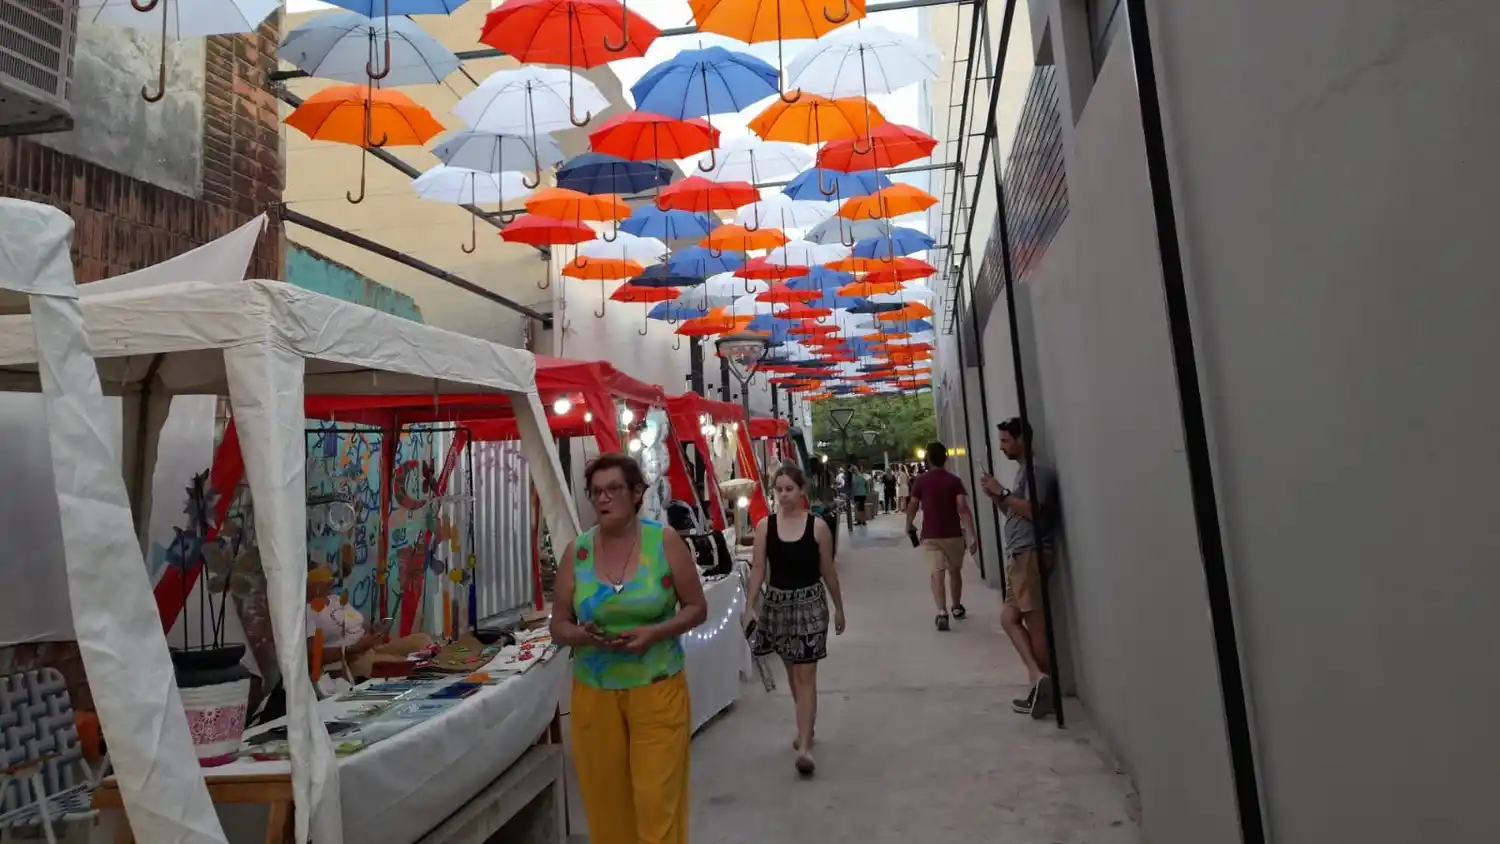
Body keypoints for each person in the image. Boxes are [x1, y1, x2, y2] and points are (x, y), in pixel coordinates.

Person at [550, 453, 708, 844]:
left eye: (614, 489)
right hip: (594, 694)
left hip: (656, 690)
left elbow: (696, 608)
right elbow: (558, 626)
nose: (603, 499)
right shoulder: (578, 552)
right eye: (596, 492)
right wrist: (583, 636)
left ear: (637, 493)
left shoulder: (664, 542)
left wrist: (655, 633)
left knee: (658, 805)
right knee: (607, 809)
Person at [745, 466, 845, 776]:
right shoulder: (765, 527)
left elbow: (828, 570)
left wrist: (839, 608)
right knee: (793, 676)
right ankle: (807, 726)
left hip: (810, 605)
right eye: (779, 489)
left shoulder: (818, 527)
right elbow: (759, 568)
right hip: (778, 606)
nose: (785, 495)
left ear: (802, 490)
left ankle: (803, 746)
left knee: (806, 675)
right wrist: (750, 606)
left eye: (790, 488)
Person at [982, 418, 1060, 719]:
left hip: (1030, 554)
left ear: (1021, 440)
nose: (1002, 447)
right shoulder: (1022, 476)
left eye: (1005, 441)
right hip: (1019, 555)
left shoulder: (1037, 474)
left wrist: (1001, 493)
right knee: (1009, 618)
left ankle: (1044, 686)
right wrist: (996, 496)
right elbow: (1015, 511)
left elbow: (1035, 513)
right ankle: (1038, 678)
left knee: (1034, 622)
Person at [305, 567, 433, 682]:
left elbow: (356, 625)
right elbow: (313, 656)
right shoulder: (307, 612)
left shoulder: (336, 600)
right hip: (350, 660)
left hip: (370, 648)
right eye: (324, 581)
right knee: (405, 665)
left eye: (330, 580)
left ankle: (411, 661)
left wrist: (374, 631)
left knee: (423, 641)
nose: (330, 583)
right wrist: (351, 649)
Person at [904, 442, 978, 631]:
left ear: (928, 459)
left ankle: (941, 611)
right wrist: (971, 534)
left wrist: (909, 524)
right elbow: (962, 507)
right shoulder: (954, 481)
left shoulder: (921, 481)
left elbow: (912, 505)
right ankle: (956, 607)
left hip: (931, 535)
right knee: (954, 571)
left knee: (936, 573)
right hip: (953, 534)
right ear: (945, 457)